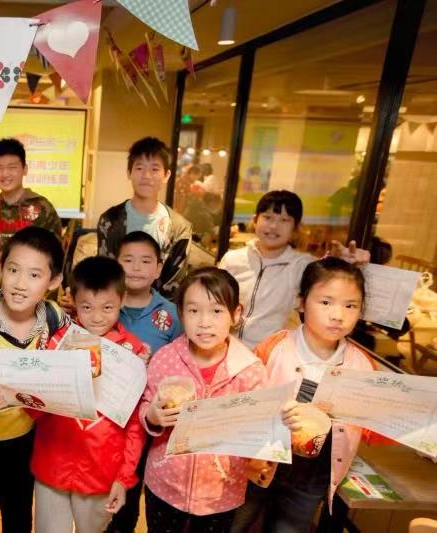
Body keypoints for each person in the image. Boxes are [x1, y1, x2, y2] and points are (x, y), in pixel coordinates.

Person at [230, 257, 377, 533]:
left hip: (313, 475)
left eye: (350, 305)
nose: (338, 315)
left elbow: (371, 426)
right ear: (301, 301)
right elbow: (245, 398)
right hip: (261, 461)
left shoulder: (362, 366)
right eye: (326, 302)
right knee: (237, 523)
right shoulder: (275, 346)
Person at [0, 226, 71, 533]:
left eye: (34, 275)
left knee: (19, 518)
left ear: (54, 281)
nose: (20, 284)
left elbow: (76, 351)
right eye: (13, 270)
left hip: (25, 442)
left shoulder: (54, 317)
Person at [140, 267, 267, 533]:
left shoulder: (250, 370)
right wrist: (152, 415)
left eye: (216, 311)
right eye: (193, 311)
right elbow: (146, 403)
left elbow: (258, 429)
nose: (204, 322)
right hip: (164, 482)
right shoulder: (166, 358)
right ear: (181, 314)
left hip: (221, 492)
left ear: (236, 314)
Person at [32, 256, 148, 533]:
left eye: (107, 307)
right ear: (73, 300)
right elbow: (35, 409)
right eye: (87, 307)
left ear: (122, 300)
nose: (97, 317)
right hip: (53, 464)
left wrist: (124, 477)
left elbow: (135, 424)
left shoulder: (133, 353)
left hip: (101, 472)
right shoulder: (56, 342)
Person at [219, 190, 369, 349]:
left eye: (284, 220)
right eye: (268, 217)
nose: (274, 226)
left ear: (296, 227)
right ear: (255, 220)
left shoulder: (303, 266)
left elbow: (340, 290)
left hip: (273, 354)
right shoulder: (232, 260)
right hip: (227, 350)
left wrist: (350, 265)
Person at [106, 232, 184, 533]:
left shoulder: (171, 314)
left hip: (146, 421)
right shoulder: (105, 306)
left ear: (159, 268)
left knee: (130, 489)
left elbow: (180, 364)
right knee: (101, 491)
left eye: (146, 261)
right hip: (107, 416)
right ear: (116, 264)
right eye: (128, 260)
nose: (136, 267)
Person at [0, 137, 62, 305]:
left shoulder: (43, 209)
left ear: (25, 169)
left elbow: (55, 260)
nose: (5, 174)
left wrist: (47, 307)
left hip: (32, 303)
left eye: (12, 167)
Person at [98, 137, 192, 298]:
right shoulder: (110, 220)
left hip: (159, 309)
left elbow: (175, 285)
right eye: (139, 168)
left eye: (154, 169)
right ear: (129, 173)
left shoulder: (179, 227)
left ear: (166, 175)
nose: (146, 175)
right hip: (114, 306)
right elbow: (104, 274)